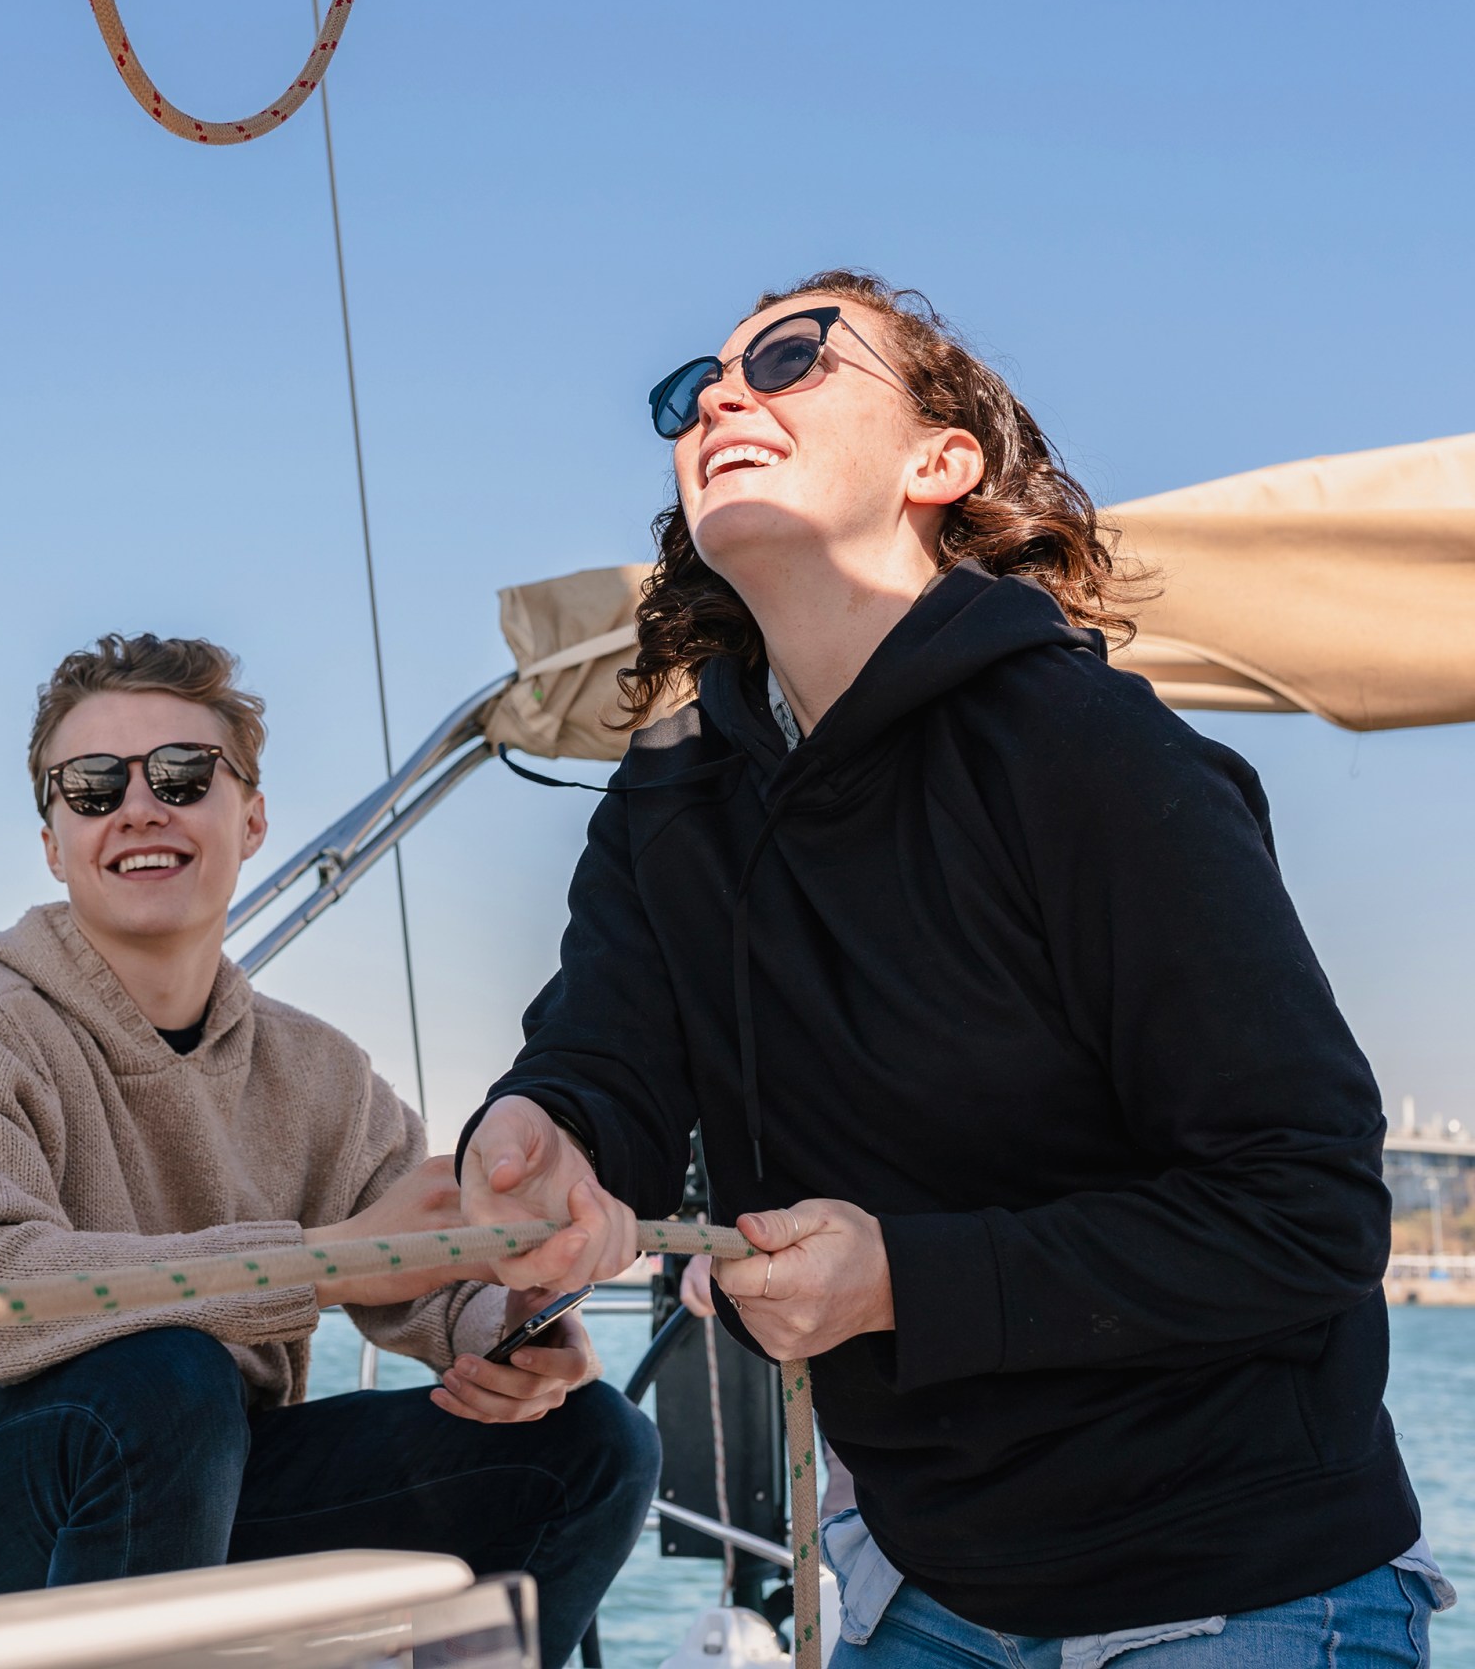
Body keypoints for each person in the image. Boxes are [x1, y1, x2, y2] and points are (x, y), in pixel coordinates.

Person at [458, 271, 1453, 1666]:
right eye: (695, 391)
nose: (725, 397)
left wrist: (899, 1286)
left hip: (1237, 1577)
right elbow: (607, 1060)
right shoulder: (672, 798)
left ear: (943, 461)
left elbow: (1308, 1204)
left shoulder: (1093, 758)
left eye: (794, 357)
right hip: (930, 1583)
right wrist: (541, 1139)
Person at [0, 632, 657, 1668]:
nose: (138, 806)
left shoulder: (319, 1072)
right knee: (162, 1378)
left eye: (182, 775)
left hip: (198, 1489)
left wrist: (518, 1324)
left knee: (593, 1444)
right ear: (53, 840)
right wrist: (337, 1258)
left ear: (253, 816)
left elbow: (426, 1264)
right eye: (90, 786)